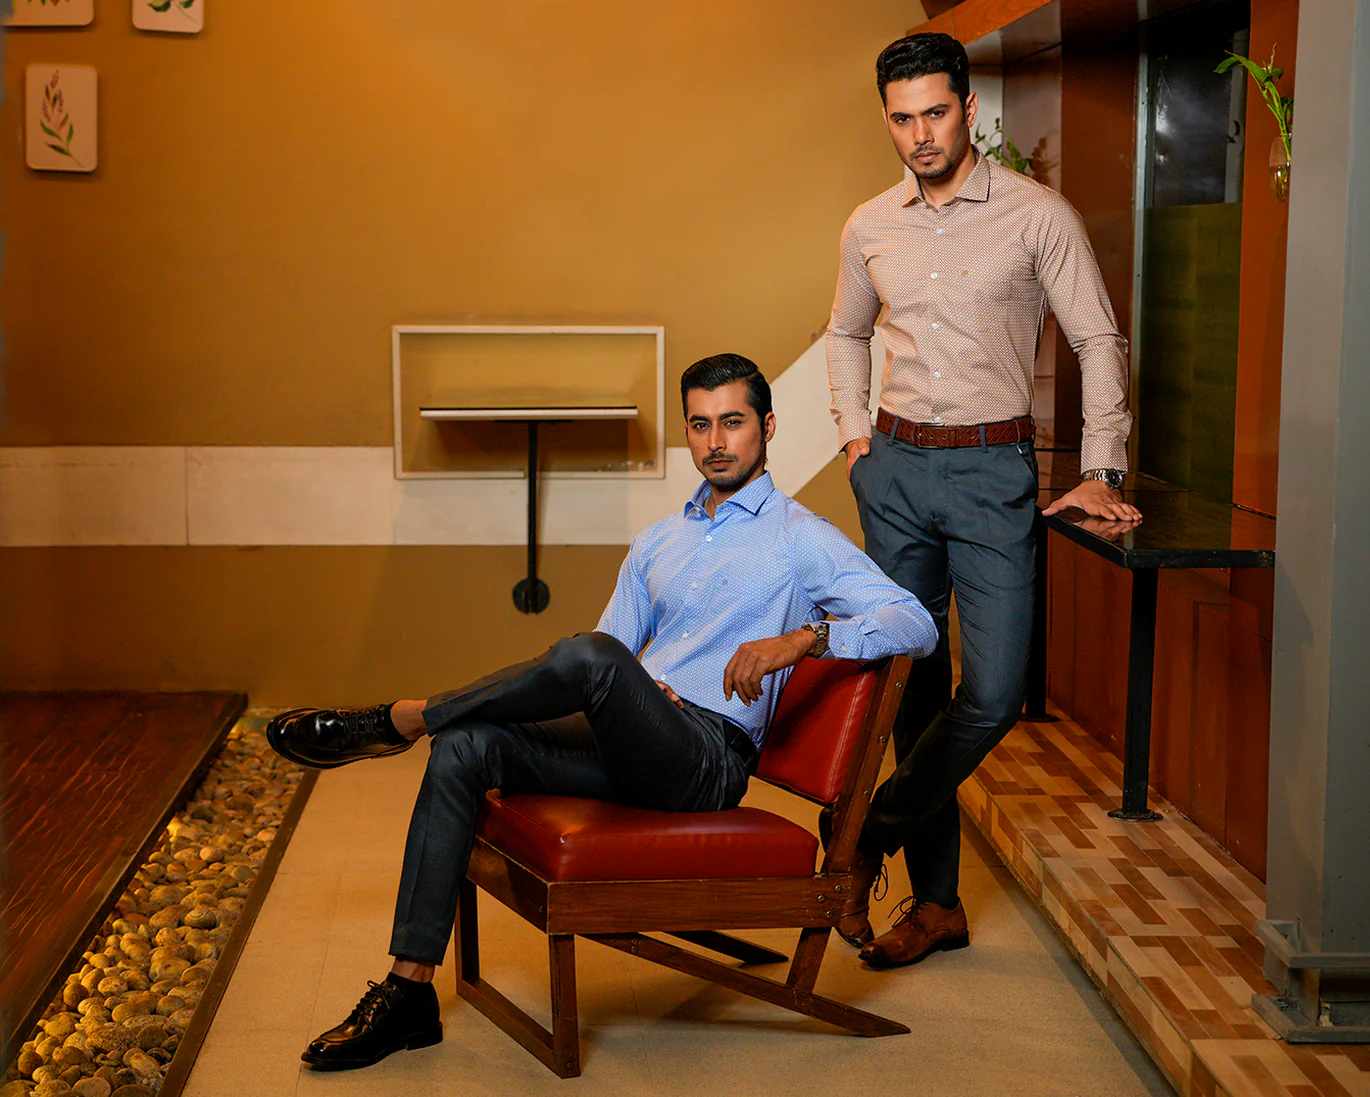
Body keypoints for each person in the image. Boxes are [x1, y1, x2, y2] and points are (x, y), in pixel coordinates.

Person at [266, 352, 937, 1071]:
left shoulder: (800, 536)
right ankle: (408, 994)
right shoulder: (660, 540)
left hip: (705, 761)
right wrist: (637, 694)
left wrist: (804, 639)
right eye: (700, 424)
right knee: (465, 746)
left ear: (766, 427)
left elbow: (915, 621)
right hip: (634, 741)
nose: (716, 441)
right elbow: (600, 663)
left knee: (589, 658)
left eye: (733, 422)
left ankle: (399, 719)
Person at [824, 33, 1143, 969]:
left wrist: (1103, 466)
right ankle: (937, 905)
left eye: (935, 112)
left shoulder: (1038, 215)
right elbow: (845, 332)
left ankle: (864, 836)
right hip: (894, 471)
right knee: (912, 684)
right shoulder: (868, 224)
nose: (920, 134)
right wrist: (854, 438)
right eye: (901, 118)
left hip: (992, 469)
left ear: (968, 109)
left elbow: (1098, 339)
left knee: (994, 691)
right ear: (886, 119)